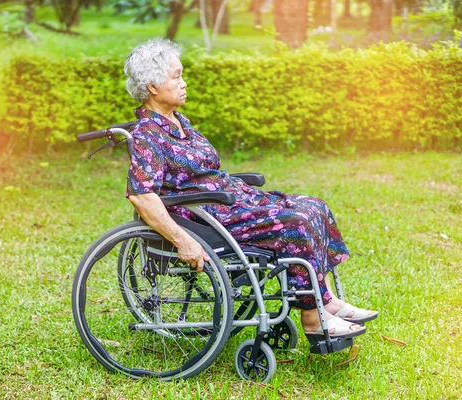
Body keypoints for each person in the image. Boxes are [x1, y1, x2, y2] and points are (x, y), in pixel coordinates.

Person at [123, 38, 378, 338]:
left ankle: (327, 301)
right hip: (207, 217)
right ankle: (312, 319)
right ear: (152, 86)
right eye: (176, 76)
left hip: (232, 201)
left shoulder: (179, 122)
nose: (184, 82)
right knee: (296, 223)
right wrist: (183, 241)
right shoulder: (146, 135)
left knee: (314, 206)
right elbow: (142, 196)